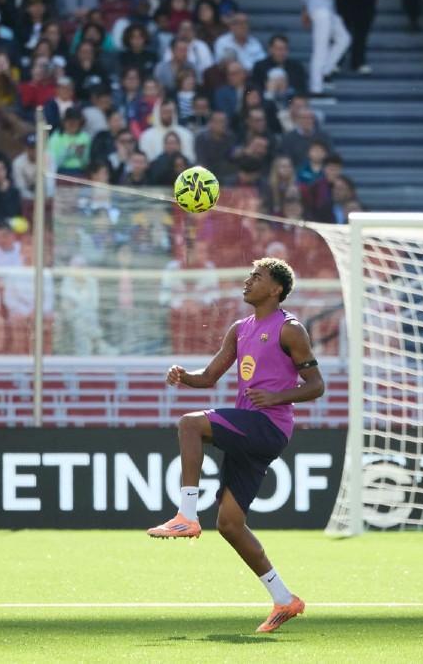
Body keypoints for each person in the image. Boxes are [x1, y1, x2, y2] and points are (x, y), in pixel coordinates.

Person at [148, 257, 324, 634]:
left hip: (269, 426)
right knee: (230, 524)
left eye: (256, 277)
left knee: (190, 424)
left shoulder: (290, 329)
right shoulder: (240, 329)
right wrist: (183, 377)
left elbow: (316, 385)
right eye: (248, 275)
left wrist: (277, 398)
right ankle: (284, 599)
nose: (247, 281)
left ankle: (186, 515)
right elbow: (209, 377)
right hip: (251, 429)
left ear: (275, 289)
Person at [303, 0, 351, 96]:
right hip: (319, 9)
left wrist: (306, 8)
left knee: (344, 38)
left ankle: (324, 72)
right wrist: (306, 8)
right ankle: (316, 88)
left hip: (328, 8)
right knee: (321, 49)